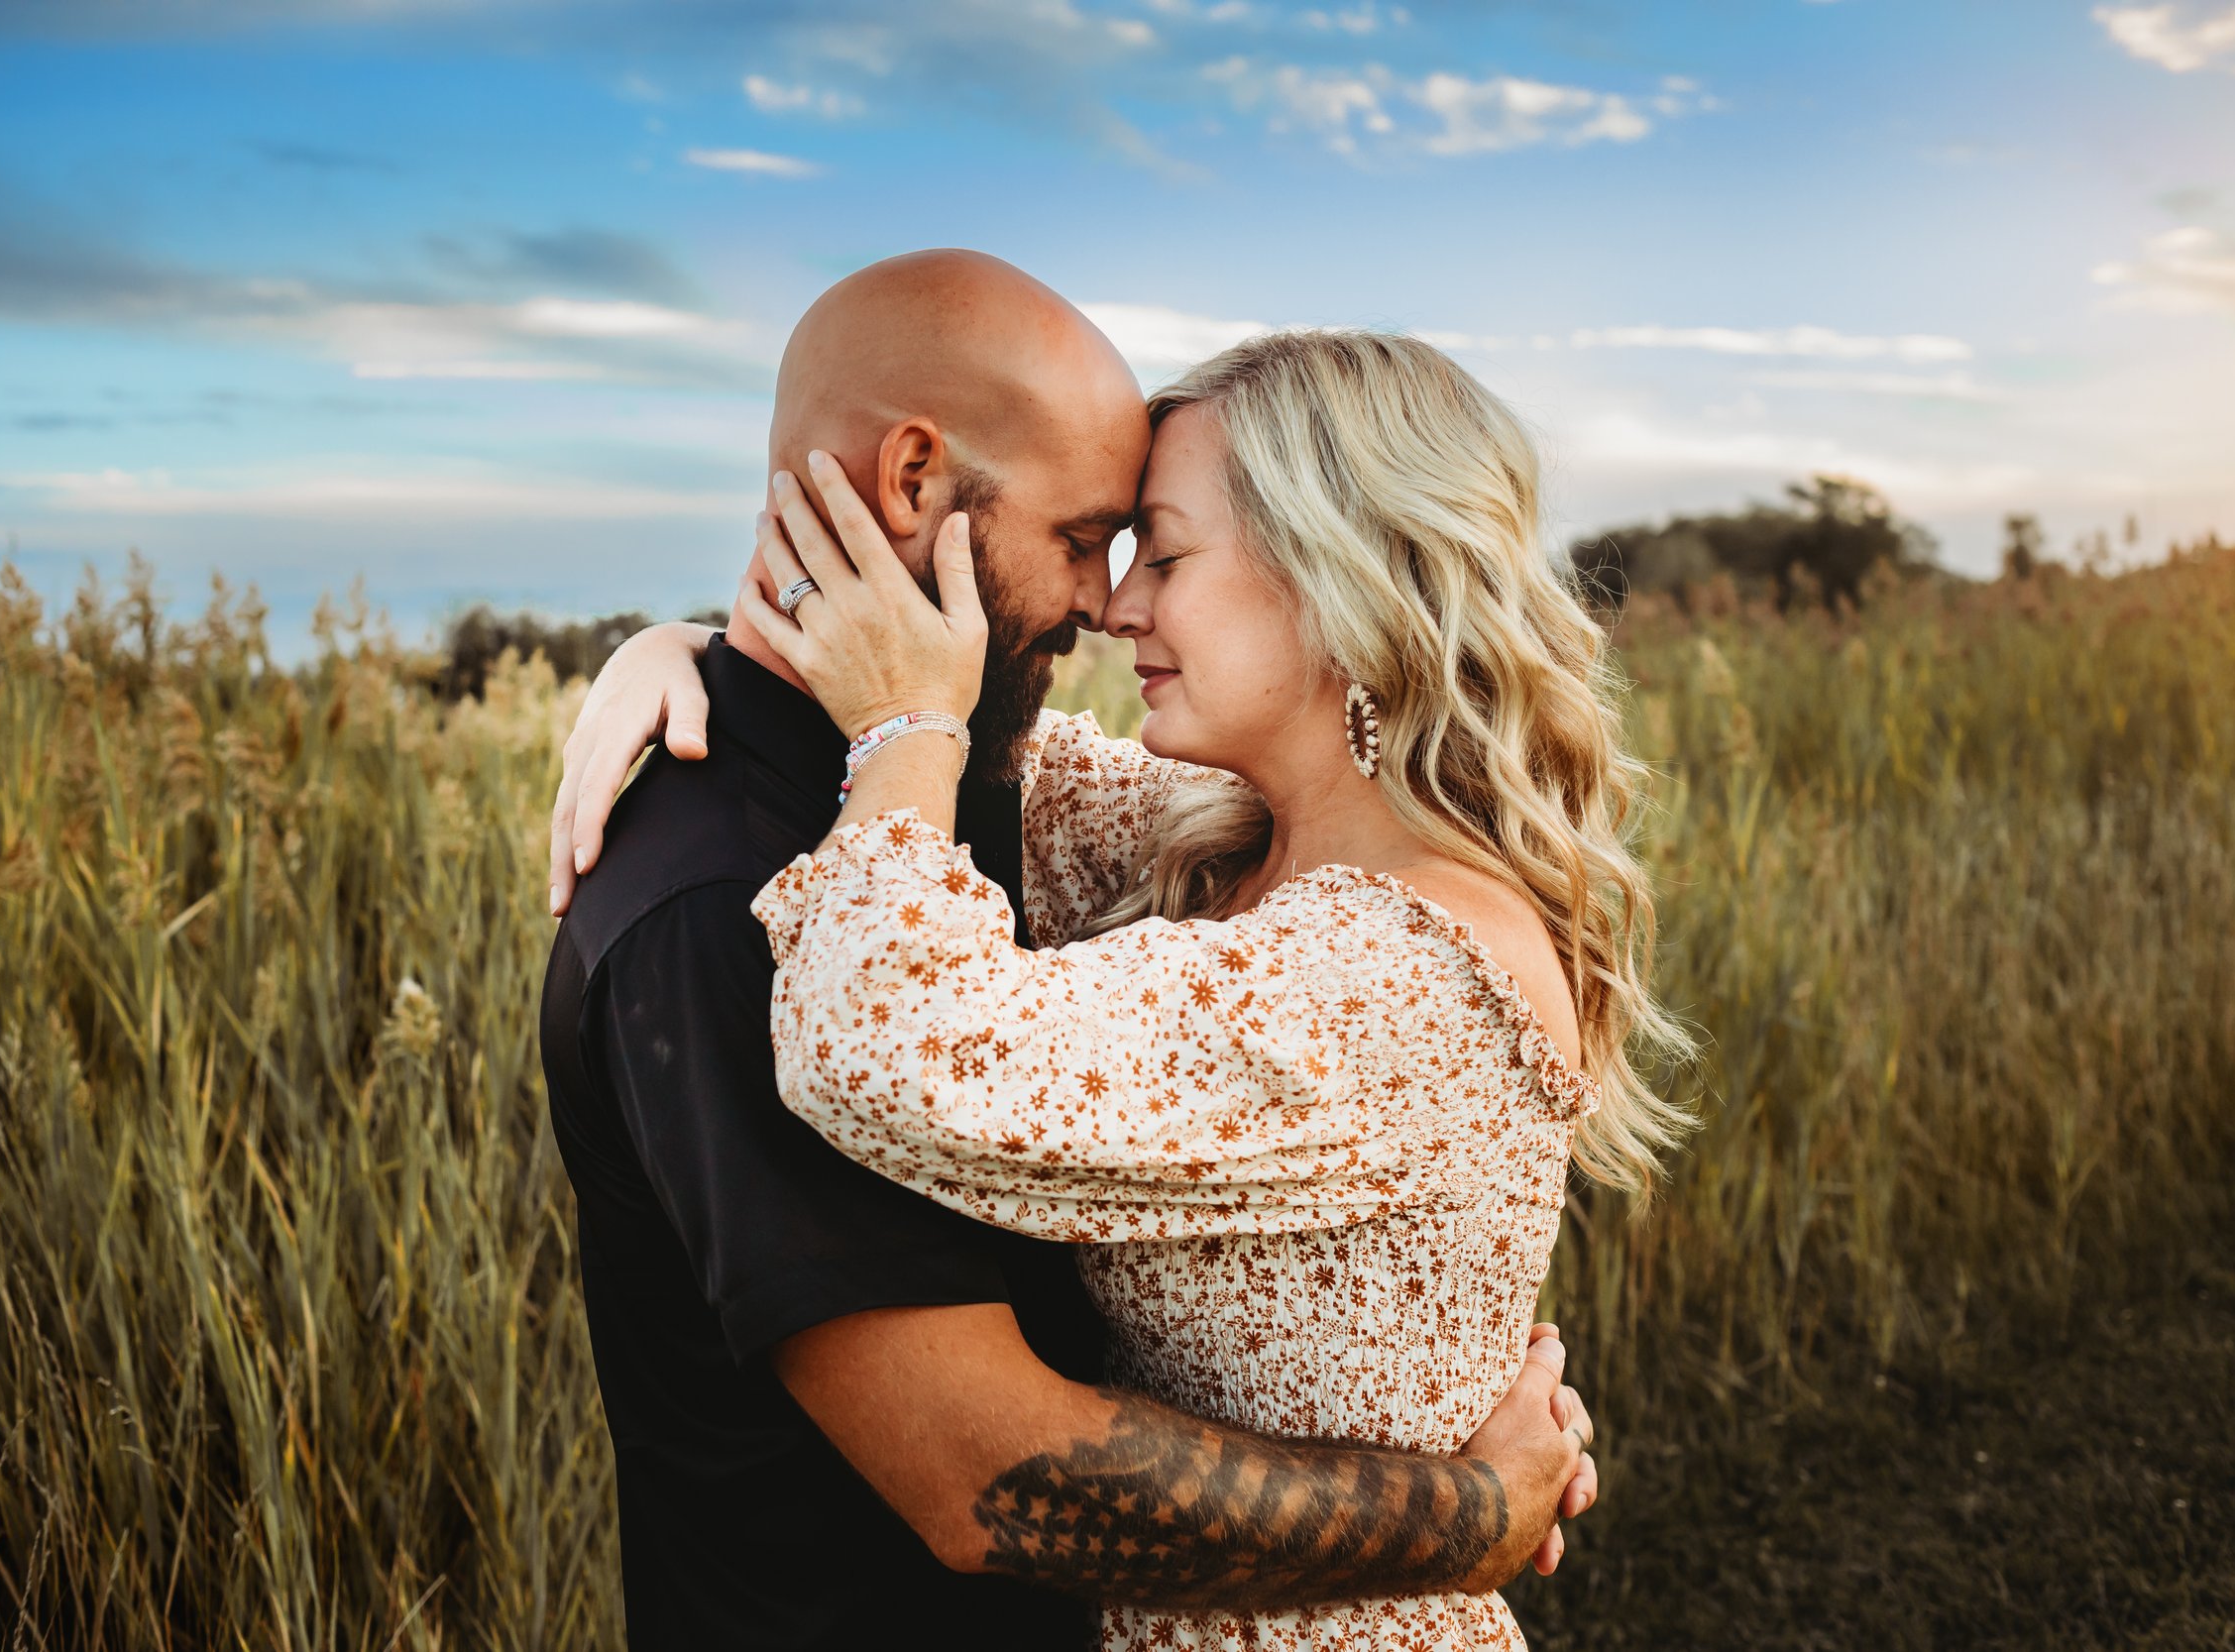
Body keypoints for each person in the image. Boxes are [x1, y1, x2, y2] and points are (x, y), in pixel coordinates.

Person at [538, 254, 1599, 1651]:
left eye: (1157, 551)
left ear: (1341, 586)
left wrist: (891, 726)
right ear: (915, 482)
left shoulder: (1397, 966)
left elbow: (892, 1014)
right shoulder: (1199, 840)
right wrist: (673, 643)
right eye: (1104, 541)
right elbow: (940, 779)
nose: (1113, 604)